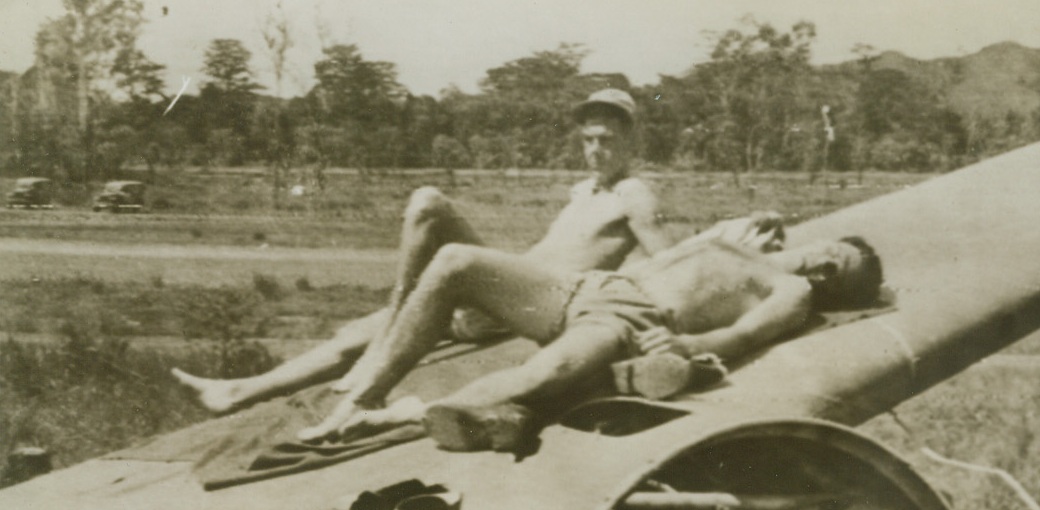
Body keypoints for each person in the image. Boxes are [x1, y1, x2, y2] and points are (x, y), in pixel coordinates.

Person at [172, 88, 669, 415]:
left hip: (544, 303)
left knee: (430, 204)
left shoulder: (635, 194)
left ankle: (387, 339)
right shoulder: (583, 192)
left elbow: (667, 263)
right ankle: (237, 391)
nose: (596, 150)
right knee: (360, 331)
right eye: (588, 140)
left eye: (607, 139)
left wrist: (638, 318)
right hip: (507, 293)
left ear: (631, 139)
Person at [298, 233, 882, 444]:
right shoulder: (754, 243)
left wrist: (685, 350)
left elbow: (745, 331)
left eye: (841, 272)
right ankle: (362, 398)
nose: (829, 264)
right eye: (838, 250)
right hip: (590, 286)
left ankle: (401, 417)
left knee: (541, 377)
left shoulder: (793, 289)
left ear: (832, 291)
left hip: (630, 318)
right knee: (454, 261)